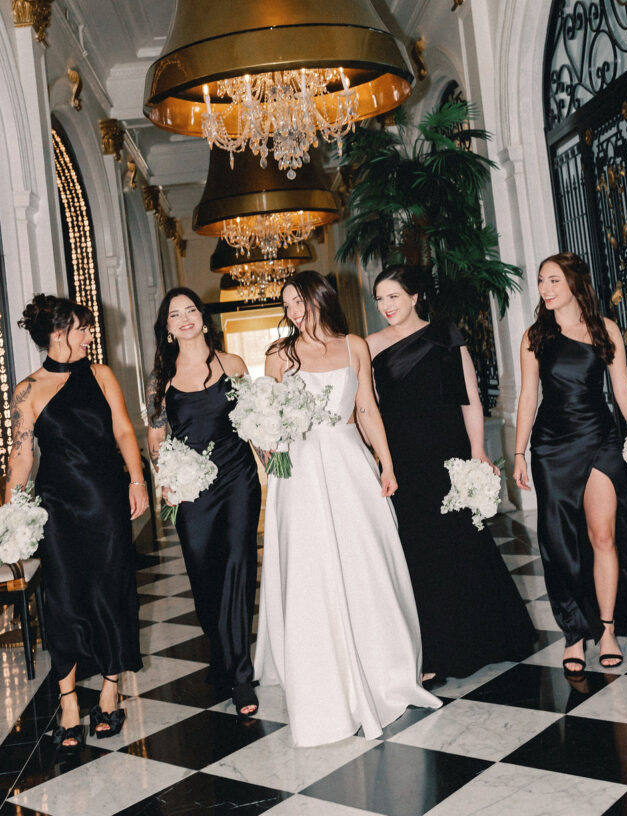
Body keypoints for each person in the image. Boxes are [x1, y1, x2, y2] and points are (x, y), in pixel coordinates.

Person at [254, 271, 441, 746]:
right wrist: (268, 454)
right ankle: (323, 682)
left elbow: (367, 409)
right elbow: (265, 420)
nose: (294, 312)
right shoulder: (279, 356)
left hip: (349, 466)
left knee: (366, 563)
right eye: (287, 305)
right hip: (299, 471)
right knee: (312, 571)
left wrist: (386, 462)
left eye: (300, 301)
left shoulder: (355, 345)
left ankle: (386, 669)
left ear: (320, 298)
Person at [369, 265, 536, 682]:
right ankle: (436, 653)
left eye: (393, 296)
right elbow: (366, 409)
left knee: (463, 543)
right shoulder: (369, 346)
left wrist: (478, 450)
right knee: (420, 555)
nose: (386, 306)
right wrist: (380, 459)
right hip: (404, 460)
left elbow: (470, 399)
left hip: (449, 454)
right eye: (380, 299)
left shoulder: (446, 334)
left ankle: (489, 638)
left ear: (414, 297)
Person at [6, 294, 147, 749]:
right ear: (58, 333)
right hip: (57, 507)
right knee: (62, 600)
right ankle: (68, 703)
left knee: (110, 590)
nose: (90, 334)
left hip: (106, 499)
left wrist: (137, 479)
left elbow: (124, 430)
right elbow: (22, 455)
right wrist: (9, 510)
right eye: (83, 327)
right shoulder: (26, 390)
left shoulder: (102, 375)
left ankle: (110, 693)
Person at [513, 252, 627, 674]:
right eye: (541, 281)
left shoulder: (604, 329)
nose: (545, 289)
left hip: (600, 439)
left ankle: (606, 629)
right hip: (552, 446)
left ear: (574, 283)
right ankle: (574, 631)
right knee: (559, 542)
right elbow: (528, 395)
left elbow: (623, 389)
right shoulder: (535, 335)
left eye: (553, 280)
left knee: (603, 535)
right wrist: (518, 452)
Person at [146, 288, 261, 716]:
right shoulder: (162, 379)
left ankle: (241, 677)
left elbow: (252, 421)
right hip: (191, 488)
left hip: (236, 479)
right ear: (169, 329)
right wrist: (166, 476)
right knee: (203, 574)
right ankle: (222, 652)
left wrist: (277, 459)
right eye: (176, 314)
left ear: (203, 317)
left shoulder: (231, 364)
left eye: (191, 309)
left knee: (236, 566)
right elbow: (156, 438)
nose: (185, 318)